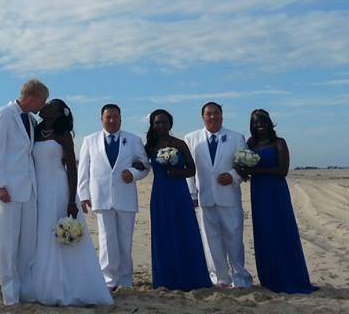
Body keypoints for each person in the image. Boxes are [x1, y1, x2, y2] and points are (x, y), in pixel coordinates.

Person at [27, 99, 113, 306]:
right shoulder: (35, 130)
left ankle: (70, 286)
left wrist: (71, 200)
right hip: (38, 189)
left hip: (58, 189)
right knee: (41, 237)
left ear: (56, 113)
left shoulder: (62, 134)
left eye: (49, 105)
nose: (44, 106)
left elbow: (71, 168)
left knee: (58, 236)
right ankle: (41, 284)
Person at [234, 109, 316, 294]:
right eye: (255, 122)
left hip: (276, 193)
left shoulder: (279, 142)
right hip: (259, 193)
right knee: (265, 233)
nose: (259, 124)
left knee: (283, 231)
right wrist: (240, 169)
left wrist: (256, 172)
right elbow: (242, 167)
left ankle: (291, 277)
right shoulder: (250, 143)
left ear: (269, 122)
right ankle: (270, 279)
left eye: (262, 121)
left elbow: (282, 171)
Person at [0, 78, 49, 305]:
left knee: (27, 245)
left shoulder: (30, 120)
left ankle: (25, 290)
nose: (43, 105)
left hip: (29, 189)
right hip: (8, 190)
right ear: (31, 97)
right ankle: (10, 295)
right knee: (8, 244)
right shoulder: (3, 114)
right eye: (42, 100)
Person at [77, 103, 150, 290]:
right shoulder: (90, 140)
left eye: (115, 116)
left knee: (125, 239)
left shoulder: (133, 140)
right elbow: (83, 171)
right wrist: (83, 194)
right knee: (106, 240)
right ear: (101, 119)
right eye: (108, 117)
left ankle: (125, 279)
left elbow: (145, 165)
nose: (112, 120)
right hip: (101, 197)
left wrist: (133, 173)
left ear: (121, 118)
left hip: (125, 196)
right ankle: (109, 279)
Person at [184, 101, 253, 288]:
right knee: (210, 240)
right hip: (204, 197)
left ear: (222, 115)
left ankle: (240, 277)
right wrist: (191, 194)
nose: (212, 117)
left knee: (234, 238)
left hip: (228, 196)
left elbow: (244, 164)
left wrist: (232, 176)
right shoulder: (191, 138)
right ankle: (220, 278)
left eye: (216, 113)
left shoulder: (236, 137)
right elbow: (189, 170)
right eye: (208, 114)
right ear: (203, 117)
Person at [144, 109, 212, 291]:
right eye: (157, 122)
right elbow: (140, 163)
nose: (161, 125)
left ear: (170, 124)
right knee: (164, 233)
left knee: (185, 231)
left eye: (164, 122)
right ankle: (166, 278)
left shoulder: (180, 144)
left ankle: (192, 276)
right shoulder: (149, 146)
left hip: (179, 192)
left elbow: (191, 169)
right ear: (152, 125)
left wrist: (177, 172)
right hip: (160, 194)